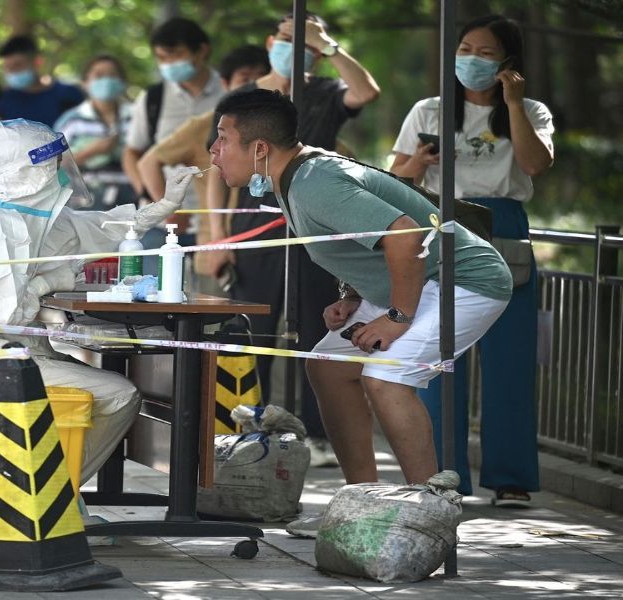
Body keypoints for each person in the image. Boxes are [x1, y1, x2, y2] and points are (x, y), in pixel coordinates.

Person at [209, 88, 512, 493]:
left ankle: (429, 508)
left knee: (386, 378)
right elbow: (357, 241)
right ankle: (361, 498)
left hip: (464, 281)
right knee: (328, 366)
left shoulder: (316, 182)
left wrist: (397, 317)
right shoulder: (294, 177)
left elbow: (405, 236)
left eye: (223, 138)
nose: (213, 150)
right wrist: (352, 295)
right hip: (420, 281)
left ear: (260, 147)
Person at [0, 119, 198, 486]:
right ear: (27, 170)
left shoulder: (22, 214)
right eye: (49, 162)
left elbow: (99, 229)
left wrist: (162, 206)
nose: (58, 170)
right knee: (119, 394)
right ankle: (52, 498)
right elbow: (0, 319)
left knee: (107, 387)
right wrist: (52, 280)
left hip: (8, 355)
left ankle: (50, 494)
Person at [204, 13, 381, 467]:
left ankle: (318, 434)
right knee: (250, 327)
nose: (294, 46)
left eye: (306, 42)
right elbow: (217, 167)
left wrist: (331, 47)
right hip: (254, 227)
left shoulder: (324, 93)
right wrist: (217, 233)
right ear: (270, 41)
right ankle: (242, 425)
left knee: (317, 329)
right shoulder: (243, 98)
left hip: (313, 224)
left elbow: (365, 93)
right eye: (287, 39)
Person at [390, 15, 554, 505]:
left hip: (504, 226)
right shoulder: (430, 110)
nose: (472, 60)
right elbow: (395, 175)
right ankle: (444, 476)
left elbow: (535, 164)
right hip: (442, 221)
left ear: (508, 62)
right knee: (441, 359)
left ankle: (511, 478)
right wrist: (417, 165)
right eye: (465, 49)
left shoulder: (531, 110)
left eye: (486, 53)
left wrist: (511, 104)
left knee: (511, 360)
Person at [135, 45, 270, 290]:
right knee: (211, 324)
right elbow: (148, 162)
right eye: (245, 79)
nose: (253, 86)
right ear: (225, 84)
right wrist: (170, 211)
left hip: (266, 251)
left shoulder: (278, 128)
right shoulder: (205, 125)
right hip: (214, 252)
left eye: (260, 78)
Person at [53, 55, 134, 210]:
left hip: (132, 199)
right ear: (85, 83)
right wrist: (93, 151)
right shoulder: (72, 120)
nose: (106, 80)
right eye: (99, 75)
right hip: (84, 201)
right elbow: (52, 163)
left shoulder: (136, 116)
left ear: (123, 82)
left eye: (112, 75)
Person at [0, 35, 84, 127]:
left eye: (18, 65)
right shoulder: (3, 100)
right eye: (7, 67)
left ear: (37, 62)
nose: (13, 72)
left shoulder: (68, 94)